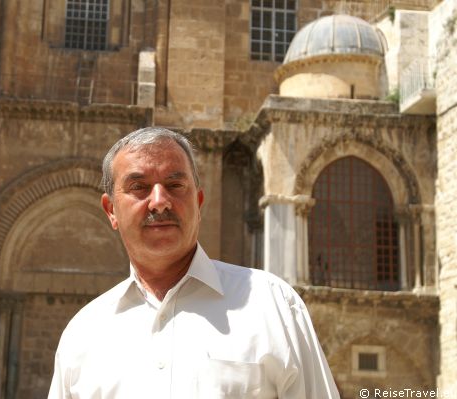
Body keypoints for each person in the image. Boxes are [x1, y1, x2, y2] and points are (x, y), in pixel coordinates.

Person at [48, 127, 341, 398]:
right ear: (111, 210)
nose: (160, 201)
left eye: (175, 185)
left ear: (199, 203)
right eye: (139, 186)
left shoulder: (273, 306)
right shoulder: (83, 334)